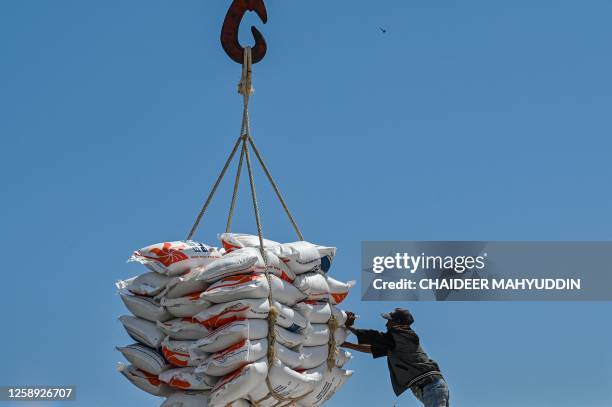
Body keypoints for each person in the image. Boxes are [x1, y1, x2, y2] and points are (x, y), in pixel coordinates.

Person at [341, 308, 449, 407]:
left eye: (389, 321)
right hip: (430, 388)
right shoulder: (396, 342)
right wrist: (347, 344)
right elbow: (373, 349)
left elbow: (375, 337)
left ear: (398, 323)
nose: (386, 324)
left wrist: (349, 327)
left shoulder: (405, 336)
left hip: (431, 386)